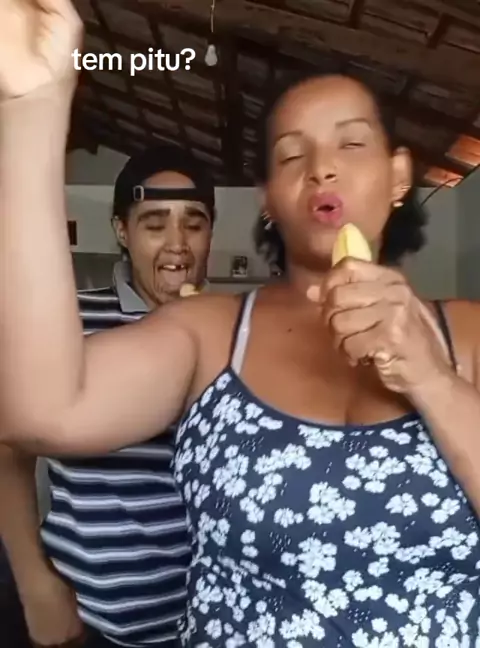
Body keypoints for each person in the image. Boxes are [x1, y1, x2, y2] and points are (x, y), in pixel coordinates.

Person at [1, 1, 480, 645]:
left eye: (351, 142)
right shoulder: (211, 332)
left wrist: (431, 378)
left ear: (399, 176)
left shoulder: (468, 335)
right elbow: (40, 412)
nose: (322, 167)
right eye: (291, 155)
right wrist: (33, 107)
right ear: (267, 201)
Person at [0, 143, 215, 648]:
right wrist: (34, 585)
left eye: (194, 224)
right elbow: (7, 449)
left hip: (204, 625)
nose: (177, 245)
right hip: (87, 619)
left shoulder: (236, 331)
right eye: (154, 224)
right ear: (122, 230)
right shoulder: (68, 324)